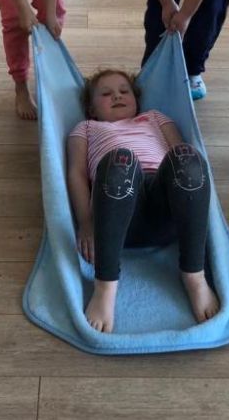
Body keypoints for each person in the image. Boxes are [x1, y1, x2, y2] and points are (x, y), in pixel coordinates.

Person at [66, 68, 219, 334]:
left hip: (167, 209)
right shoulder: (87, 128)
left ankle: (194, 276)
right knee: (120, 159)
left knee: (187, 155)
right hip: (116, 215)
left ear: (136, 100)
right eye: (106, 94)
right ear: (91, 109)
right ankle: (106, 286)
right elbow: (76, 174)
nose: (117, 96)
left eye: (124, 91)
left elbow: (181, 158)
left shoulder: (155, 118)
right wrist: (86, 223)